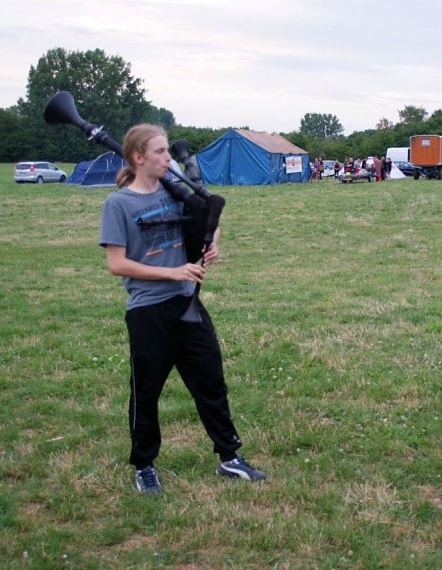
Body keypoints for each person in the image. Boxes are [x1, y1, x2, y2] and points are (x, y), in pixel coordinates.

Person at [99, 123, 266, 494]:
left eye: (167, 151)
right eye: (159, 152)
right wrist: (172, 271)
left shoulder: (172, 190)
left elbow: (207, 216)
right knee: (146, 392)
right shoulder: (118, 203)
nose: (167, 158)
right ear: (138, 157)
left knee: (211, 382)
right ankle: (144, 465)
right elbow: (116, 263)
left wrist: (212, 241)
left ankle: (229, 457)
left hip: (187, 303)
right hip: (148, 311)